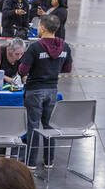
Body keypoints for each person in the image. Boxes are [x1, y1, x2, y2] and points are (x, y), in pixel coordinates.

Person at [20, 14, 73, 169]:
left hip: (35, 90)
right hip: (52, 90)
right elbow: (67, 68)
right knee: (50, 126)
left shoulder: (35, 47)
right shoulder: (65, 46)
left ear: (43, 27)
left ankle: (30, 162)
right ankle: (49, 161)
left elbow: (23, 69)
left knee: (33, 126)